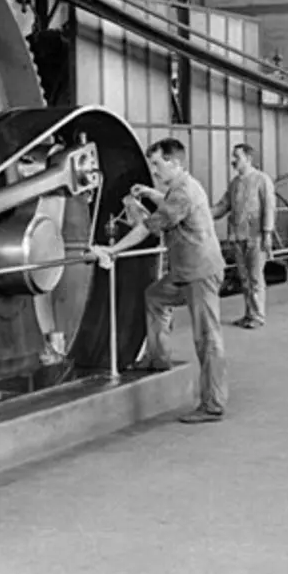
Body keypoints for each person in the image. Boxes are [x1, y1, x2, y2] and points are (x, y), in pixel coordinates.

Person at [91, 139, 228, 424]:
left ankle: (213, 404)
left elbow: (147, 228)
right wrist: (150, 192)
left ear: (175, 163)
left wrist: (111, 251)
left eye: (157, 164)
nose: (153, 170)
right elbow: (167, 203)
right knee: (154, 296)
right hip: (183, 272)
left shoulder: (183, 194)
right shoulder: (181, 187)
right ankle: (158, 358)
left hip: (200, 274)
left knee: (207, 338)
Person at [211, 143, 277, 329]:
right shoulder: (235, 184)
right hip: (239, 237)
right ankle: (249, 314)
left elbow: (269, 207)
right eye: (233, 156)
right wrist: (200, 213)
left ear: (248, 159)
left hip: (255, 237)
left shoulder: (262, 180)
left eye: (236, 157)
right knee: (245, 279)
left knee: (255, 277)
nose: (233, 161)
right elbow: (222, 206)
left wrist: (267, 233)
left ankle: (257, 315)